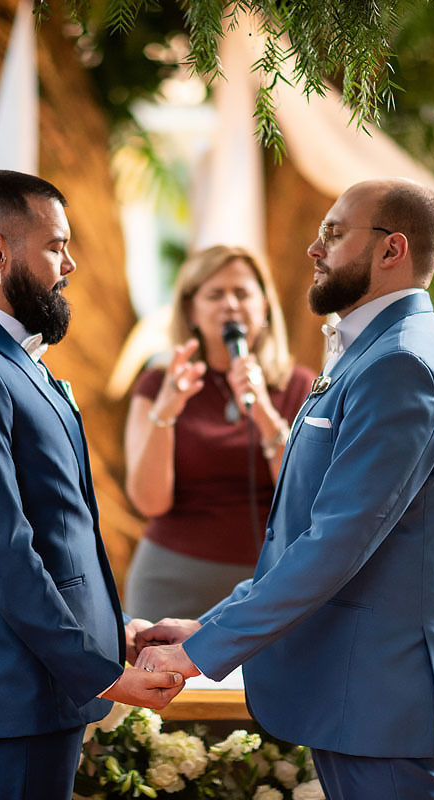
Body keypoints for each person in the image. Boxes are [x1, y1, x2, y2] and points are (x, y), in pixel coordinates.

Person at [136, 179, 434, 800]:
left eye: (334, 232)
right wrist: (206, 626)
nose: (314, 248)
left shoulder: (401, 365)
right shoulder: (374, 352)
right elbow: (306, 530)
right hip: (354, 691)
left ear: (392, 250)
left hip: (381, 696)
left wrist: (206, 652)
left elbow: (336, 541)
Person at [0, 170, 183, 800]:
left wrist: (116, 629)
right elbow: (0, 551)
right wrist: (101, 675)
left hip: (43, 686)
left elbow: (61, 528)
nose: (71, 263)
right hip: (15, 688)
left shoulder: (6, 356)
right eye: (56, 245)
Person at [123, 245, 315, 619]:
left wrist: (263, 411)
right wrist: (166, 413)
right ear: (191, 310)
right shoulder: (159, 383)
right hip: (170, 583)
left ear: (264, 308)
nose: (230, 304)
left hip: (268, 584)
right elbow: (149, 502)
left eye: (242, 293)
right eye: (215, 294)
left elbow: (305, 499)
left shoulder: (302, 386)